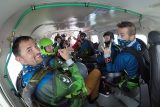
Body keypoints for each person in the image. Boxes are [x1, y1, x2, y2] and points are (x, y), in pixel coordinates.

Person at [13, 36, 101, 107]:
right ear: (20, 59)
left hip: (54, 99)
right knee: (96, 72)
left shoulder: (23, 76)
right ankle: (92, 99)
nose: (37, 51)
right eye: (29, 50)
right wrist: (69, 60)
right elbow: (80, 85)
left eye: (36, 46)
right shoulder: (49, 80)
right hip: (73, 102)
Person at [102, 21, 142, 107]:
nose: (119, 38)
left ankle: (117, 94)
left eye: (122, 35)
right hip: (139, 76)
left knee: (108, 76)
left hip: (131, 83)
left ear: (132, 37)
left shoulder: (124, 56)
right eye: (118, 35)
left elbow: (110, 69)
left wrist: (106, 55)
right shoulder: (138, 44)